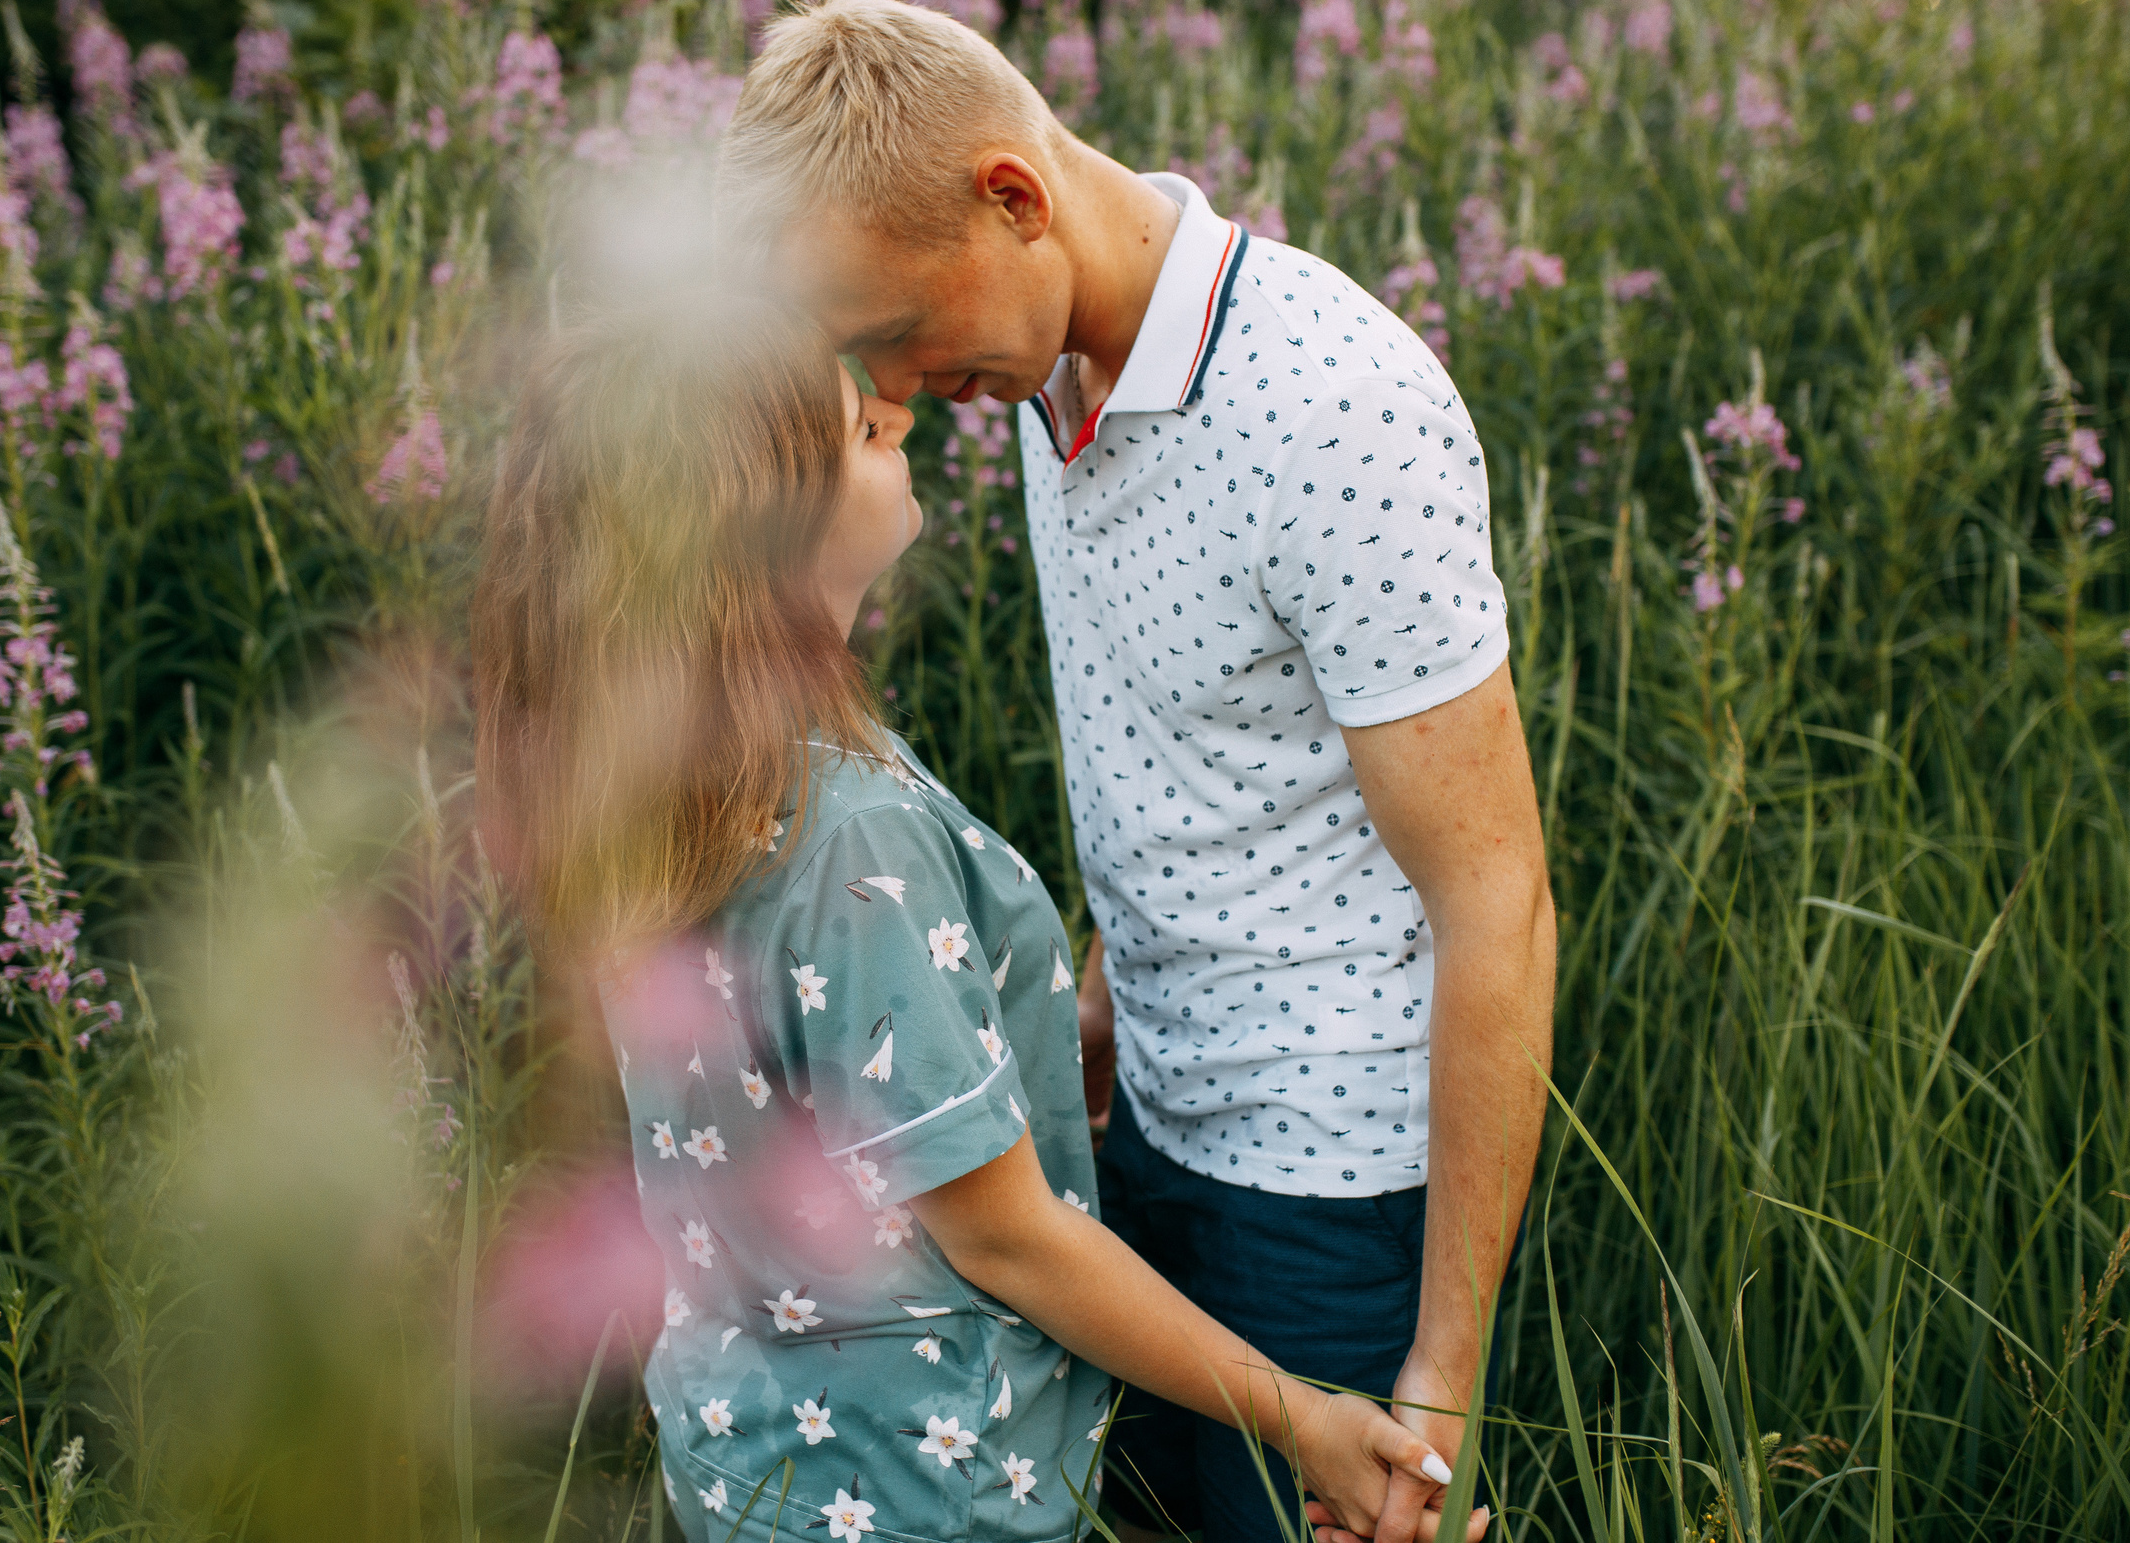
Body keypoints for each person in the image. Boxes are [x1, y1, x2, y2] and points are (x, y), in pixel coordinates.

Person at [717, 0, 1554, 1543]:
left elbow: (1496, 894)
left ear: (1014, 200)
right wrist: (1088, 1020)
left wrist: (1441, 1373)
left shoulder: (1332, 407)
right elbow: (1181, 766)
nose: (888, 387)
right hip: (1130, 1133)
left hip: (1327, 1187)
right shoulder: (1044, 377)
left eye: (893, 330)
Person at [471, 301, 1449, 1543]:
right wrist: (1302, 1420)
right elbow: (1008, 1241)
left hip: (750, 1459)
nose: (892, 408)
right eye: (855, 427)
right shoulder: (850, 836)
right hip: (923, 1489)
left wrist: (1056, 1044)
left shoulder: (662, 793)